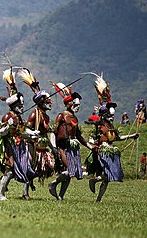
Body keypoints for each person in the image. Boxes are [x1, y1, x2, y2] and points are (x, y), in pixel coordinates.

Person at [88, 74, 139, 202]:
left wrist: (133, 136)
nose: (112, 118)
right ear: (104, 115)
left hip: (111, 150)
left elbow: (118, 138)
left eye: (112, 116)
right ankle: (94, 180)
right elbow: (91, 137)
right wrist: (92, 143)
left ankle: (98, 199)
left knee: (108, 178)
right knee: (106, 174)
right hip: (103, 151)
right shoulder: (99, 125)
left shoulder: (111, 126)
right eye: (110, 116)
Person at [0, 67, 36, 201]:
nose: (22, 107)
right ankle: (1, 194)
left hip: (20, 147)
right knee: (9, 171)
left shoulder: (19, 117)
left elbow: (21, 132)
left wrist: (32, 133)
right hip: (10, 147)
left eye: (22, 105)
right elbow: (1, 132)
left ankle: (24, 192)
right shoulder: (8, 116)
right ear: (14, 105)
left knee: (26, 168)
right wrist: (8, 126)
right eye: (20, 105)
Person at [48, 84, 92, 200]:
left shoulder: (75, 119)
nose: (77, 107)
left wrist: (90, 146)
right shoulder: (61, 116)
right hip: (63, 146)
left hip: (73, 147)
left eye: (78, 106)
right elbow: (53, 131)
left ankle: (61, 196)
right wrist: (53, 147)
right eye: (75, 105)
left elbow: (79, 136)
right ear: (68, 104)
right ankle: (53, 183)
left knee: (71, 174)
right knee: (69, 171)